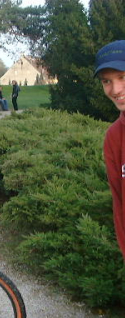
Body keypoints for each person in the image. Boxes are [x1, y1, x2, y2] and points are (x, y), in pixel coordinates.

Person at [96, 40, 125, 258]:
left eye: (122, 77)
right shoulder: (114, 137)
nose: (115, 90)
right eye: (107, 81)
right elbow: (119, 203)